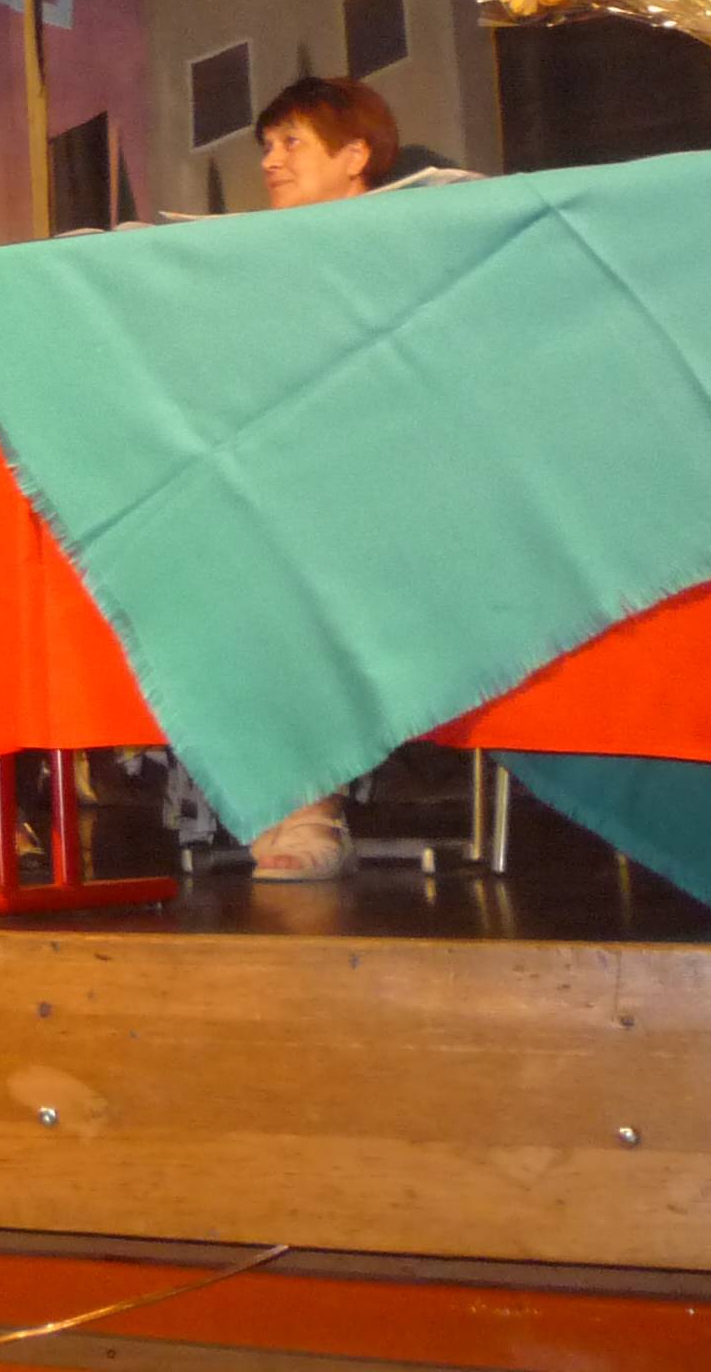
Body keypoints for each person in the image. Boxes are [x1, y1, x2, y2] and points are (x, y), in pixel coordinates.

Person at [237, 71, 403, 882]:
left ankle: (312, 803)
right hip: (285, 482)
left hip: (393, 489)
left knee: (309, 563)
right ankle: (270, 789)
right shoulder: (259, 262)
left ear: (356, 155)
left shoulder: (408, 241)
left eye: (291, 143)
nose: (271, 160)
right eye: (267, 145)